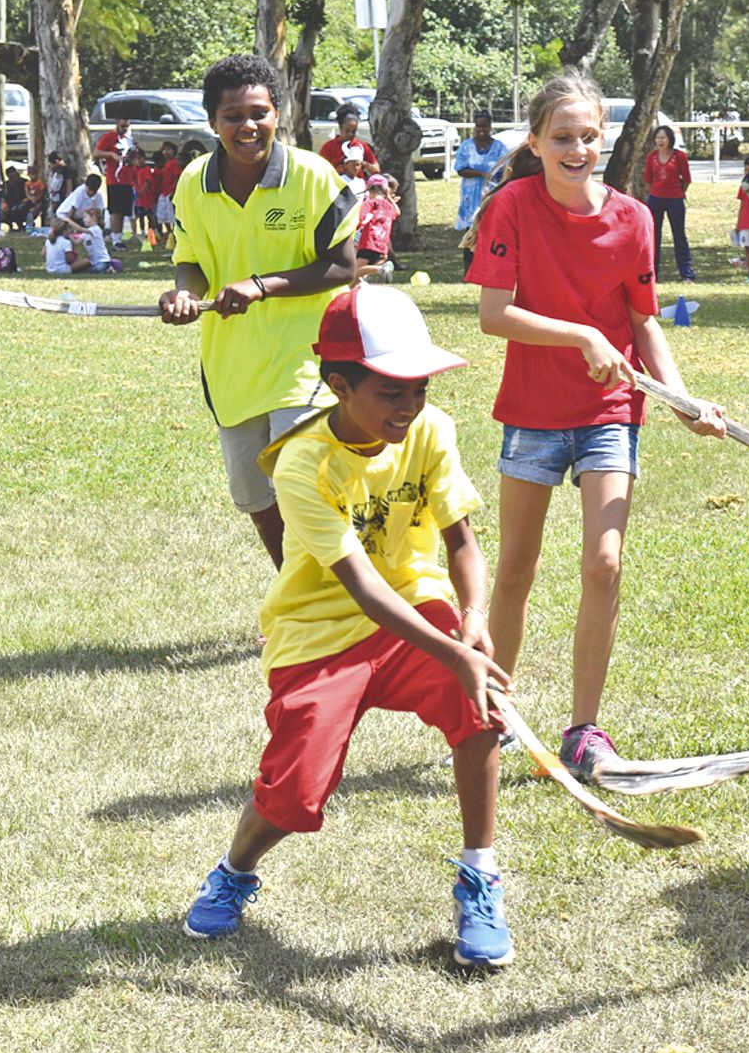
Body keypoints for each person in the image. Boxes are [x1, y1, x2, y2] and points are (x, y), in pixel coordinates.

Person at [181, 285, 516, 969]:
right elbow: (360, 587)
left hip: (416, 610)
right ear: (339, 385)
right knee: (295, 794)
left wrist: (472, 625)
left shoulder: (432, 430)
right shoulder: (302, 463)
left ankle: (479, 875)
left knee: (477, 708)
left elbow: (461, 541)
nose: (410, 405)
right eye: (391, 392)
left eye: (418, 387)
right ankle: (236, 869)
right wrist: (455, 652)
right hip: (319, 633)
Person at [466, 70, 726, 776]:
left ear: (603, 138)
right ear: (537, 142)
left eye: (587, 136)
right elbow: (494, 315)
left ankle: (585, 728)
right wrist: (581, 337)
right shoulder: (514, 207)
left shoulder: (634, 219)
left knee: (604, 562)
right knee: (515, 568)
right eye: (562, 138)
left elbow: (644, 321)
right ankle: (496, 710)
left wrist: (680, 398)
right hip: (533, 413)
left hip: (611, 412)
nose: (577, 149)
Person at [159, 54, 360, 569]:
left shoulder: (314, 177)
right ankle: (297, 593)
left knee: (300, 486)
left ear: (279, 114)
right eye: (233, 116)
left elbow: (342, 268)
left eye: (259, 113)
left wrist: (260, 286)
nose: (248, 126)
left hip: (306, 359)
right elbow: (191, 262)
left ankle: (332, 607)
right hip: (232, 367)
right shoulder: (193, 183)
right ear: (212, 122)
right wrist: (182, 294)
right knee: (256, 496)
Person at [453, 110, 508, 273]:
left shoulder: (499, 147)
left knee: (490, 228)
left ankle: (488, 267)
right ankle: (469, 268)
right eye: (478, 126)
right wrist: (481, 174)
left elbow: (505, 169)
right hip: (470, 196)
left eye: (485, 125)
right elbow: (460, 169)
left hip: (490, 195)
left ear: (490, 126)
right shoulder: (467, 146)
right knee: (470, 231)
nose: (481, 129)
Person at [642, 124, 696, 283]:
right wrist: (656, 192)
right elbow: (647, 180)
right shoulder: (651, 157)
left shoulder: (679, 156)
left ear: (670, 139)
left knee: (679, 236)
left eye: (663, 137)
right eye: (657, 137)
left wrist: (680, 192)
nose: (660, 140)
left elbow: (686, 179)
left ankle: (686, 273)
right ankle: (652, 272)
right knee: (653, 236)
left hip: (675, 199)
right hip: (655, 199)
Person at [92, 115, 137, 246]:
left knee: (124, 210)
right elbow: (96, 153)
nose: (124, 129)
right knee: (116, 210)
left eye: (127, 126)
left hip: (127, 179)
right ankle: (115, 239)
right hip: (115, 180)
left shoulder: (129, 138)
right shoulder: (109, 137)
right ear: (117, 123)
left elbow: (132, 156)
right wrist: (111, 155)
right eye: (122, 126)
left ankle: (119, 236)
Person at [354, 173, 399, 283]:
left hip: (368, 243)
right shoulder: (388, 206)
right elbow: (397, 212)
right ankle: (355, 291)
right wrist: (389, 198)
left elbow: (360, 218)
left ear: (370, 189)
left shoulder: (369, 203)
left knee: (355, 272)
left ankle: (381, 269)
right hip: (383, 247)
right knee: (361, 275)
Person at [317, 103, 379, 176]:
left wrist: (362, 163)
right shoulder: (329, 146)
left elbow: (376, 169)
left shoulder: (361, 146)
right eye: (347, 130)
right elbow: (320, 171)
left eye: (353, 131)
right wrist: (341, 169)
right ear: (340, 127)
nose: (350, 134)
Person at [54, 173, 107, 237]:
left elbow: (100, 212)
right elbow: (72, 210)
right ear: (86, 186)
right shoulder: (80, 192)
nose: (91, 193)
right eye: (90, 190)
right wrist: (70, 226)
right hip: (64, 215)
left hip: (79, 218)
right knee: (78, 228)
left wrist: (100, 226)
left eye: (94, 191)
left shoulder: (98, 196)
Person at [1, 164, 29, 231]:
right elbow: (2, 197)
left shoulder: (24, 182)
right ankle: (10, 225)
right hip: (10, 205)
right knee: (1, 212)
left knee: (18, 209)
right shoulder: (6, 185)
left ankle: (21, 225)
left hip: (22, 203)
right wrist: (3, 204)